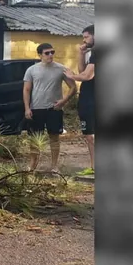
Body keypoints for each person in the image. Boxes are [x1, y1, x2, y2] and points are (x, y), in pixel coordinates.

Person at [23, 42, 78, 173]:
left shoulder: (61, 68)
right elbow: (26, 89)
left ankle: (54, 166)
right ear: (40, 55)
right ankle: (33, 164)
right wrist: (27, 108)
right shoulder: (32, 70)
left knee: (54, 137)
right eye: (47, 53)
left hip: (54, 109)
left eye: (52, 52)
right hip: (36, 108)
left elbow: (73, 87)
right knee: (35, 138)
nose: (50, 55)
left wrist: (63, 101)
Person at [65, 25, 95, 176]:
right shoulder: (92, 53)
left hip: (92, 99)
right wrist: (81, 54)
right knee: (89, 135)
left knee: (91, 135)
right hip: (89, 97)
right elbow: (83, 70)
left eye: (86, 37)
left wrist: (71, 76)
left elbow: (86, 76)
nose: (83, 40)